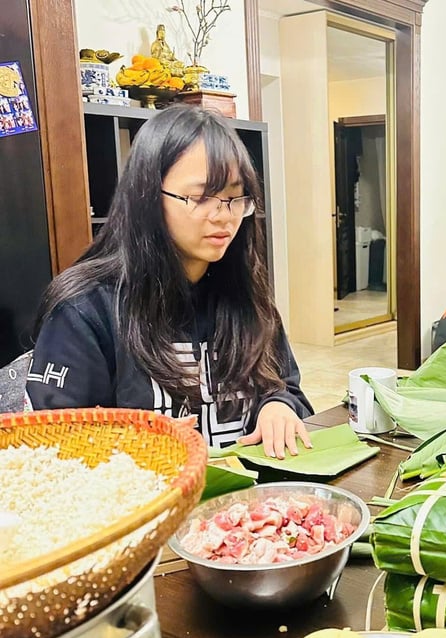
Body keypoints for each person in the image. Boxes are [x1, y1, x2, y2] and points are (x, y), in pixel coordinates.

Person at [27, 104, 313, 458]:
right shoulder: (86, 311)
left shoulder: (246, 296)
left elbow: (287, 388)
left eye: (234, 198)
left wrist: (278, 407)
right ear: (148, 197)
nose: (223, 216)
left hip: (249, 492)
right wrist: (142, 444)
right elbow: (52, 448)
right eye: (200, 198)